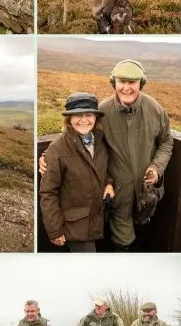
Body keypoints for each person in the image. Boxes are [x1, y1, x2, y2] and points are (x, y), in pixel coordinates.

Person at [40, 60, 173, 251]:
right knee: (122, 241)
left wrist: (156, 168)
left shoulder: (155, 109)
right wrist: (47, 156)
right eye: (122, 82)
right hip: (118, 195)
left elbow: (167, 141)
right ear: (114, 83)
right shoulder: (103, 111)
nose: (126, 88)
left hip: (148, 193)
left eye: (132, 83)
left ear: (140, 84)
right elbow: (77, 141)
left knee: (143, 232)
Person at [39, 93, 114, 253]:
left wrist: (109, 183)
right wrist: (55, 230)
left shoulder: (100, 140)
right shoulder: (57, 148)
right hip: (74, 228)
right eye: (77, 115)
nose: (84, 120)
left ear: (96, 117)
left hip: (97, 221)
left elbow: (101, 169)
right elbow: (48, 193)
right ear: (69, 119)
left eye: (89, 114)